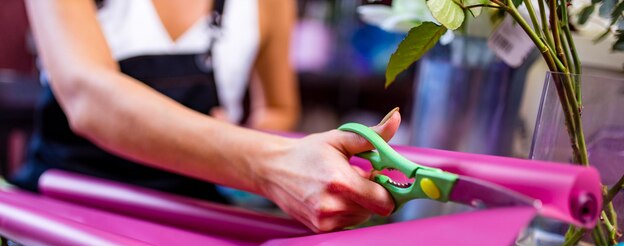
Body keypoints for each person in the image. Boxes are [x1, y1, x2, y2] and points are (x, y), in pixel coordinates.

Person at [12, 0, 401, 233]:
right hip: (63, 213)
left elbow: (278, 108)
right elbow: (88, 96)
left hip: (191, 221)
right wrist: (268, 165)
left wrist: (254, 141)